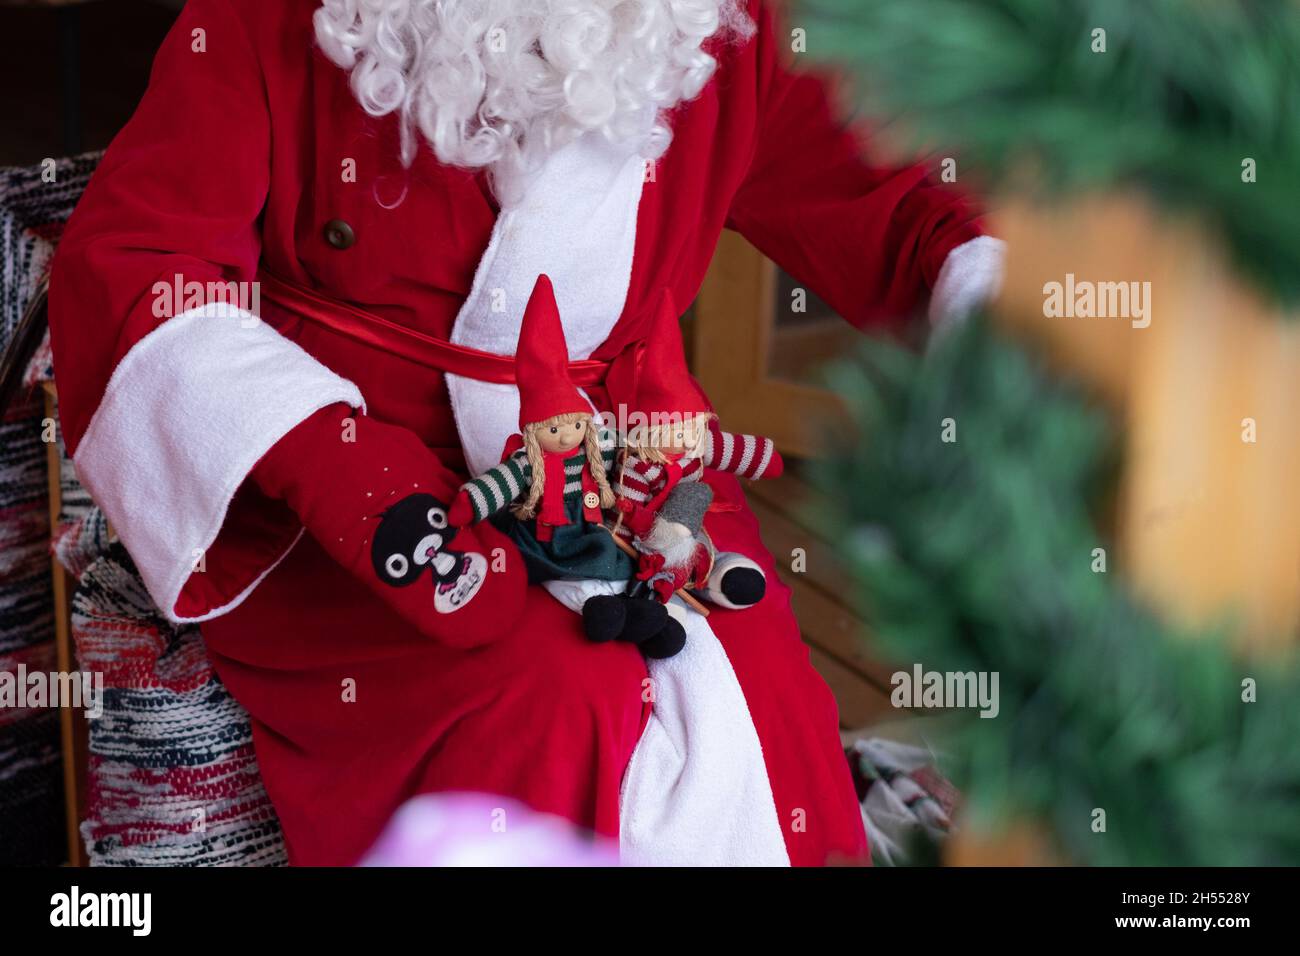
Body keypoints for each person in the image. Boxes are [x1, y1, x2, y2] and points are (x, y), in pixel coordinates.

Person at [48, 0, 1003, 865]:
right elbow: (138, 265)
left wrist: (1001, 304)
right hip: (353, 499)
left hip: (629, 468)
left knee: (769, 708)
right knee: (553, 705)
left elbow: (906, 204)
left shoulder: (731, 21)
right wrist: (344, 471)